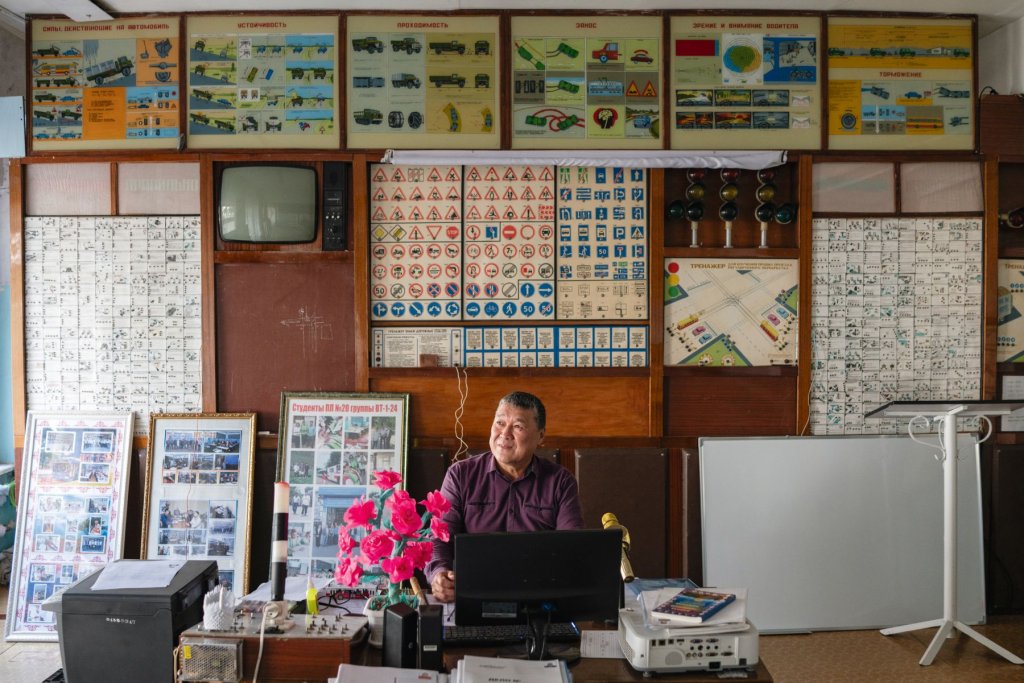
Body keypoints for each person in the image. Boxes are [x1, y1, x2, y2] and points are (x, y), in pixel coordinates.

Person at [425, 391, 583, 603]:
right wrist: (439, 574)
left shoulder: (560, 482)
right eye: (499, 423)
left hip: (537, 601)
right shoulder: (460, 475)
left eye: (518, 426)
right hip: (472, 598)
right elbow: (439, 539)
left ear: (540, 436)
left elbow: (571, 549)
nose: (505, 433)